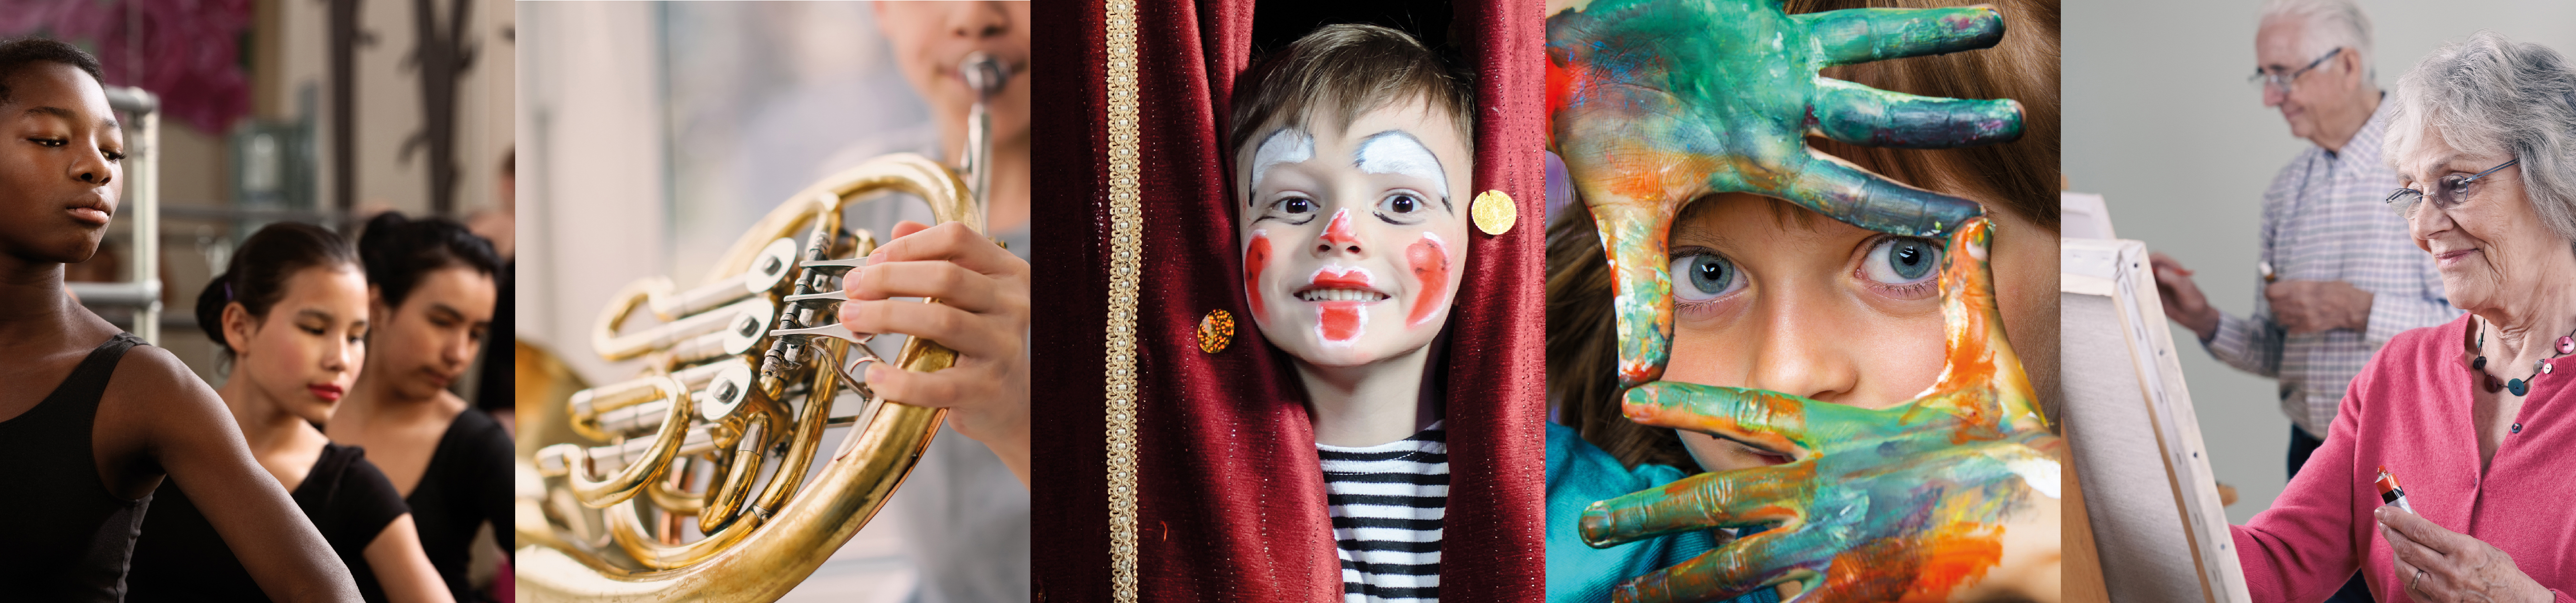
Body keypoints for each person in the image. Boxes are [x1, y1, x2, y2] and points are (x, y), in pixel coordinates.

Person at [1542, 0, 2063, 600]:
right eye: (1707, 273)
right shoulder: (1586, 553)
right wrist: (1549, 89)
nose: (1783, 373)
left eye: (1906, 257)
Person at [0, 37, 361, 602]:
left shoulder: (143, 388)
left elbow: (323, 590)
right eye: (51, 139)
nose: (98, 167)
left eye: (114, 153)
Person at [2229, 30, 2576, 603]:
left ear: (2554, 177)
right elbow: (2278, 562)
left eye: (2455, 185)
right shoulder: (2397, 372)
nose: (2423, 226)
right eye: (2411, 193)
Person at [2149, 12, 2458, 597]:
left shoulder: (2436, 170)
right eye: (2263, 77)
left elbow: (2491, 330)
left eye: (2284, 75)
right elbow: (2277, 350)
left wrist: (2358, 310)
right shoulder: (2286, 193)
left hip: (2414, 456)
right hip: (2312, 454)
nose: (2271, 97)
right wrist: (2204, 319)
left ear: (2345, 65)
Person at [1225, 23, 1476, 602]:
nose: (1341, 235)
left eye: (1402, 203)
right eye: (1293, 203)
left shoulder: (1551, 497)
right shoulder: (1180, 473)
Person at [126, 222, 453, 603]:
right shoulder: (150, 443)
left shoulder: (353, 488)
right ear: (240, 327)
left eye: (356, 337)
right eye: (315, 329)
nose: (341, 360)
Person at [327, 213, 508, 603]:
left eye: (476, 334)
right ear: (377, 306)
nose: (459, 354)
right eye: (442, 322)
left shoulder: (477, 443)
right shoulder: (303, 414)